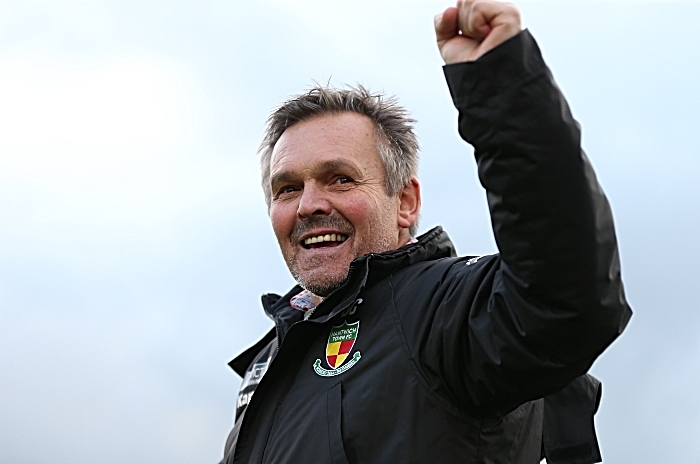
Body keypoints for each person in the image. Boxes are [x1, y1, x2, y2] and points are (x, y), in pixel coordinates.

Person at [220, 1, 632, 463]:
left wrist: (500, 84)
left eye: (340, 178)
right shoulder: (268, 364)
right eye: (288, 188)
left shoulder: (449, 313)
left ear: (406, 202)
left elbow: (566, 297)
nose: (310, 204)